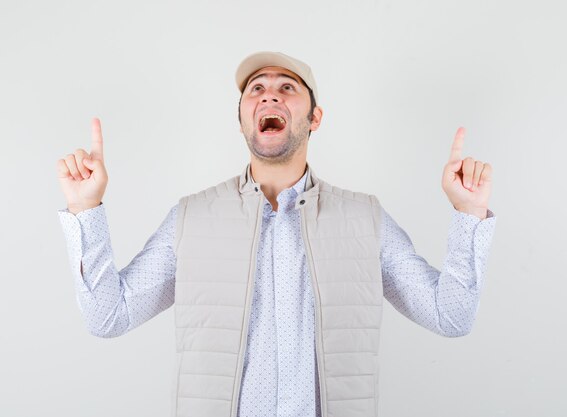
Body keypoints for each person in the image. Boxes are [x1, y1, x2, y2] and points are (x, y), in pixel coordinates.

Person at [56, 51, 497, 417]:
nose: (270, 96)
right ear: (242, 118)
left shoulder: (365, 219)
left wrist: (469, 213)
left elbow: (450, 316)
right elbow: (107, 317)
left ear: (315, 117)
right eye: (257, 90)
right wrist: (85, 207)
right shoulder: (191, 219)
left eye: (287, 87)